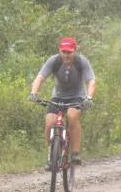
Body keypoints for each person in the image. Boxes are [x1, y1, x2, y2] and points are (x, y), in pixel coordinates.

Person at [28, 37, 96, 167]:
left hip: (77, 97)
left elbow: (91, 81)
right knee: (49, 123)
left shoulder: (81, 62)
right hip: (58, 97)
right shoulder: (54, 61)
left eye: (69, 52)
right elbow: (40, 77)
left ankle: (75, 152)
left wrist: (89, 97)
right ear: (59, 50)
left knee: (72, 117)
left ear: (75, 51)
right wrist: (34, 93)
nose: (66, 55)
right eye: (63, 51)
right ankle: (51, 154)